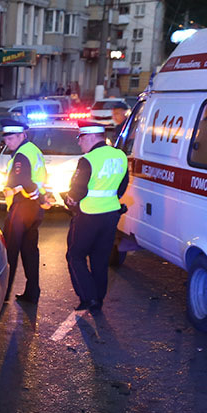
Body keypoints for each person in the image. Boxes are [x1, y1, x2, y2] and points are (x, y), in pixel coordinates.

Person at [65, 122, 130, 312]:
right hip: (111, 215)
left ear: (91, 137)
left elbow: (77, 191)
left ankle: (88, 297)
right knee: (100, 259)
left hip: (88, 215)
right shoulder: (120, 155)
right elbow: (123, 185)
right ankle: (98, 299)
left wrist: (69, 201)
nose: (79, 143)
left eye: (81, 139)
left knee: (75, 256)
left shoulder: (88, 160)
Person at [0, 119, 48, 303]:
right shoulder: (34, 150)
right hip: (34, 211)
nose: (7, 143)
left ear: (22, 136)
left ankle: (2, 296)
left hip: (21, 208)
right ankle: (32, 292)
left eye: (11, 138)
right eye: (6, 139)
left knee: (9, 252)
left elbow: (25, 181)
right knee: (30, 251)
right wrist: (40, 199)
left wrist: (33, 195)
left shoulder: (21, 155)